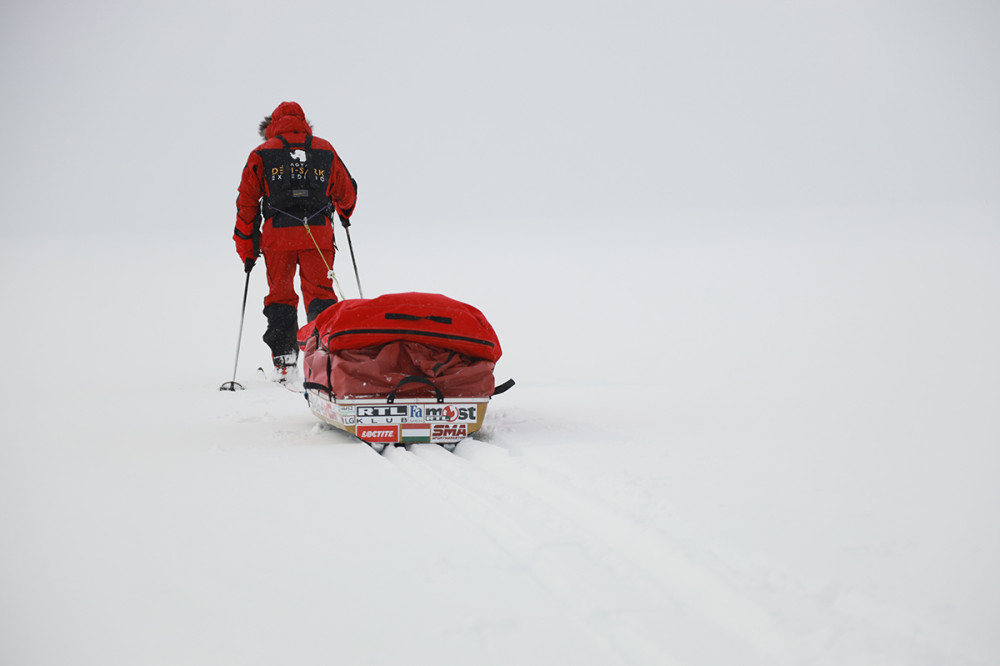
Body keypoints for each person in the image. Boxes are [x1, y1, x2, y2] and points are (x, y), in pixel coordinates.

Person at [233, 101, 357, 380]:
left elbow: (246, 206)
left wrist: (247, 250)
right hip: (318, 234)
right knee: (321, 294)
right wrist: (345, 213)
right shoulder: (324, 148)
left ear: (271, 127)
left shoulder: (261, 154)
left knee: (280, 295)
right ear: (304, 123)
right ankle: (322, 353)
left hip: (278, 238)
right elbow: (346, 192)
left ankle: (284, 360)